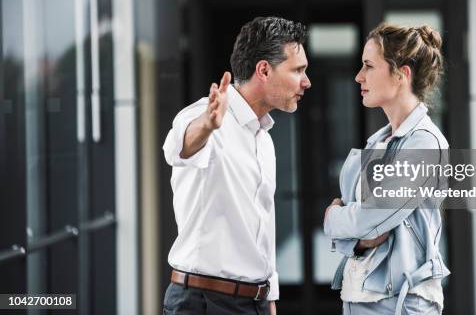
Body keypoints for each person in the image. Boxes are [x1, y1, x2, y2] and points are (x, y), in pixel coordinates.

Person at [162, 16, 311, 315]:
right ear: (264, 70)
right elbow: (178, 147)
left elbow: (262, 224)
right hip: (203, 303)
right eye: (298, 70)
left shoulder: (264, 139)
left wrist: (270, 296)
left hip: (251, 302)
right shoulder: (205, 115)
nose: (306, 82)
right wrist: (207, 124)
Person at [323, 22, 450, 315]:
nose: (358, 77)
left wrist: (332, 218)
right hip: (362, 296)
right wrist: (356, 238)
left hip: (400, 305)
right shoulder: (380, 141)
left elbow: (367, 218)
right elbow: (363, 232)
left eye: (369, 66)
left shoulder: (425, 144)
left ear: (401, 74)